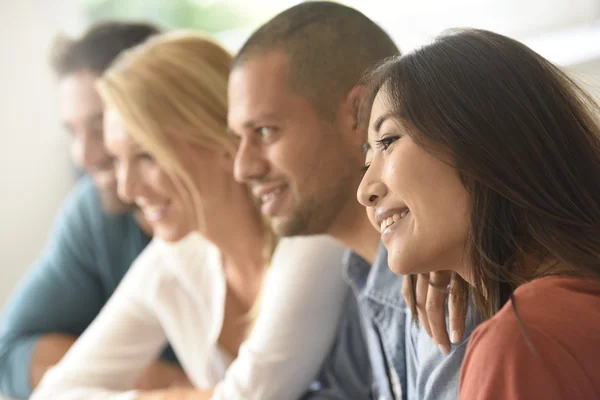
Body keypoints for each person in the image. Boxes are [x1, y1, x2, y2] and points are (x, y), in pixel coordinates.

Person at [31, 30, 349, 400]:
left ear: (221, 141)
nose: (127, 190)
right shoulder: (173, 261)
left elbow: (252, 396)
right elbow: (54, 392)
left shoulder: (309, 237)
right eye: (118, 160)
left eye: (147, 156)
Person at [229, 2, 476, 399]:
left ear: (357, 114)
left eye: (265, 131)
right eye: (238, 139)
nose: (242, 168)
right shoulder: (359, 273)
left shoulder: (449, 293)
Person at [358, 28, 600, 399]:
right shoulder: (569, 308)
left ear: (479, 139)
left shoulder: (525, 341)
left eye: (388, 141)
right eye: (367, 158)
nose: (365, 191)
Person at [0, 22, 191, 400]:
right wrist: (150, 379)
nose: (83, 156)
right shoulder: (93, 213)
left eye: (101, 125)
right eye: (72, 131)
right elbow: (12, 355)